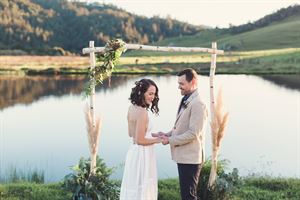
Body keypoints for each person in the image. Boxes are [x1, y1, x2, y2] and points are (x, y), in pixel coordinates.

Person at [153, 68, 208, 200]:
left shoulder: (198, 104)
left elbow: (193, 134)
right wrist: (166, 134)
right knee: (187, 194)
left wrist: (169, 141)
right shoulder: (186, 99)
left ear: (193, 82)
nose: (179, 87)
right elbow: (180, 127)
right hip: (184, 157)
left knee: (189, 196)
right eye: (178, 84)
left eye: (182, 84)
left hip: (191, 158)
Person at [120, 78, 162, 200]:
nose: (152, 97)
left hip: (134, 152)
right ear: (141, 92)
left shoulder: (131, 108)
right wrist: (158, 140)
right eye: (150, 93)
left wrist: (153, 135)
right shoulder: (143, 112)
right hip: (143, 154)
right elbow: (140, 140)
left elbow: (131, 134)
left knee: (134, 185)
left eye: (154, 94)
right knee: (143, 187)